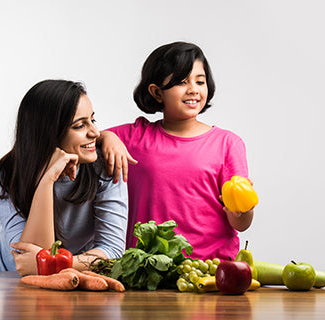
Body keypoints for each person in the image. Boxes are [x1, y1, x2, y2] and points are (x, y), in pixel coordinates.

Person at [100, 41, 254, 261]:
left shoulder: (228, 143)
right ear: (156, 92)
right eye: (181, 82)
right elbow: (83, 137)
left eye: (200, 81)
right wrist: (107, 137)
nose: (193, 89)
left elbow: (240, 224)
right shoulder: (134, 137)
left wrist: (243, 211)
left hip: (209, 270)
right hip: (145, 270)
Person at [0, 80, 128, 275]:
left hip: (71, 268)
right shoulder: (6, 175)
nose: (95, 133)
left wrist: (58, 264)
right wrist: (47, 180)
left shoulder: (104, 166)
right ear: (49, 133)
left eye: (93, 120)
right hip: (7, 270)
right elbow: (30, 261)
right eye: (79, 126)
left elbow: (113, 252)